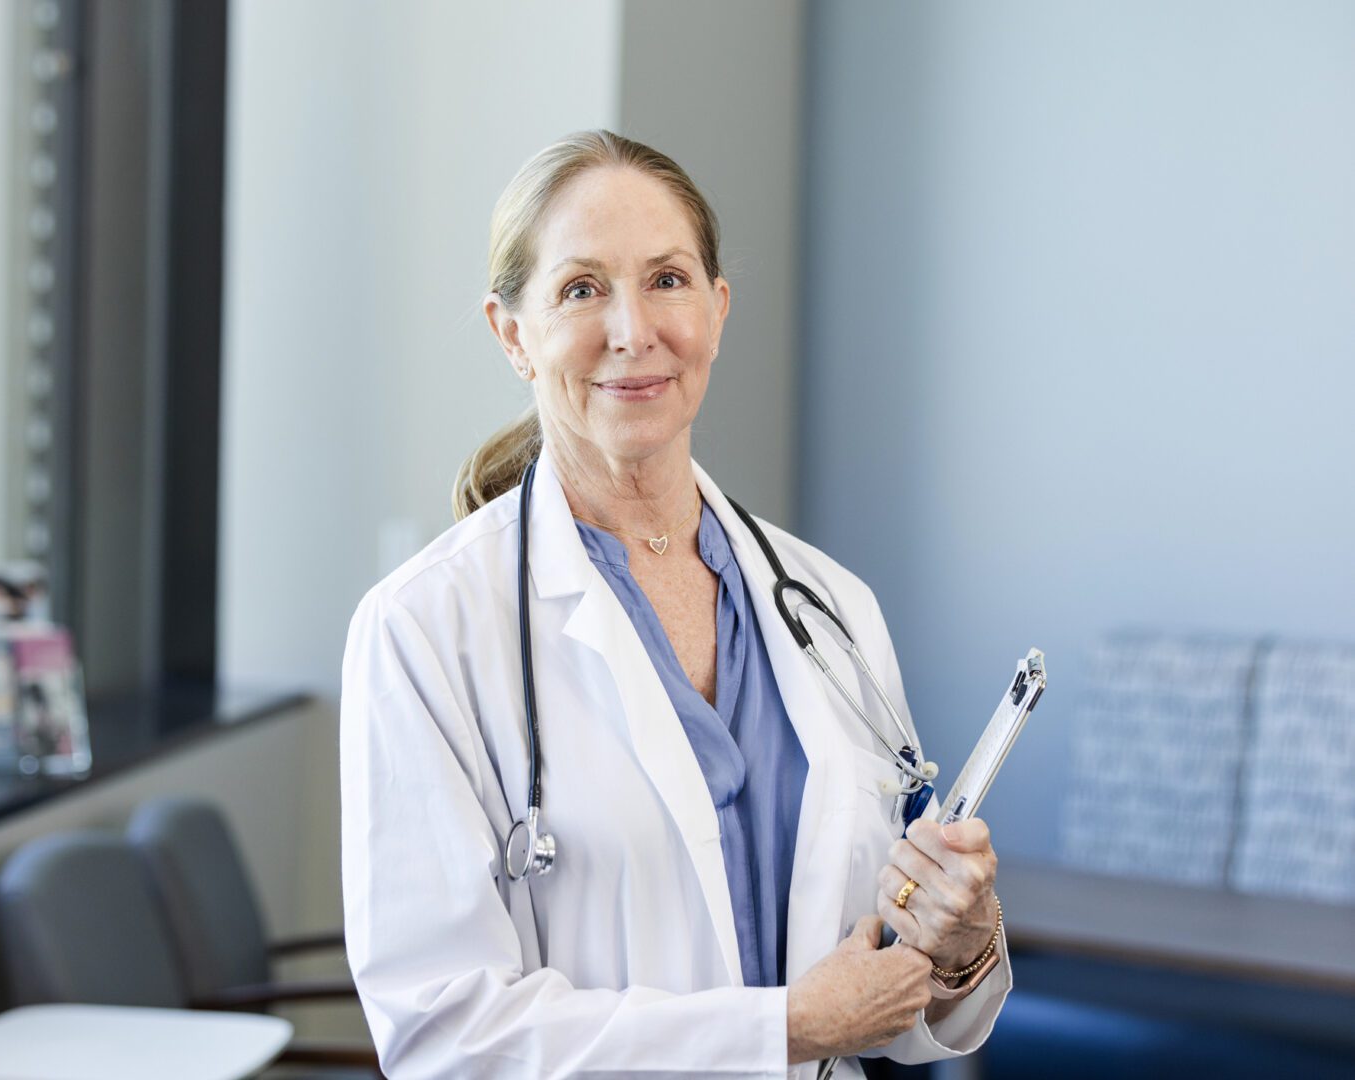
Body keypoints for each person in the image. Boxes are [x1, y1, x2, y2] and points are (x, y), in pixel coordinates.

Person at [340, 130, 1009, 1078]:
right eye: (582, 289)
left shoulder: (830, 609)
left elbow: (885, 987)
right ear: (512, 333)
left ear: (717, 310)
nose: (633, 329)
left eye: (666, 280)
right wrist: (781, 1028)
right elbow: (447, 1037)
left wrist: (961, 946)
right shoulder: (423, 630)